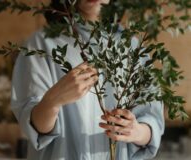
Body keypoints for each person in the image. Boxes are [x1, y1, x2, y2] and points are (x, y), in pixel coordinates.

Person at [11, 0, 165, 159]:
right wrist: (53, 99)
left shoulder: (131, 45)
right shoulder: (41, 44)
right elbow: (34, 127)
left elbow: (152, 121)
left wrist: (136, 131)